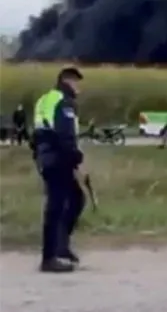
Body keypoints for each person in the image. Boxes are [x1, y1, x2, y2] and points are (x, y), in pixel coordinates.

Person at [32, 67, 86, 273]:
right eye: (76, 82)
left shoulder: (45, 99)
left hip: (45, 156)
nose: (78, 87)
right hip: (58, 157)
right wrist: (76, 158)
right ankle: (50, 257)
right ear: (67, 81)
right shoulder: (64, 102)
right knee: (57, 206)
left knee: (74, 198)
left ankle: (60, 248)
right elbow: (65, 134)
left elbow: (38, 130)